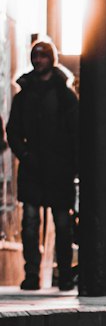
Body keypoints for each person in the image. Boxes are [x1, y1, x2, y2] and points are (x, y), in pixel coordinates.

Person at [7, 37, 79, 292]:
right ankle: (32, 273)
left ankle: (65, 275)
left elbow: (76, 132)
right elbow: (12, 130)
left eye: (43, 56)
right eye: (36, 56)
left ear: (52, 59)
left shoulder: (65, 95)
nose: (38, 61)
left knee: (62, 223)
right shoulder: (25, 95)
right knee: (29, 222)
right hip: (34, 166)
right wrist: (25, 155)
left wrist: (72, 164)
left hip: (57, 168)